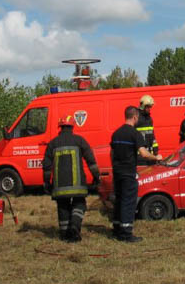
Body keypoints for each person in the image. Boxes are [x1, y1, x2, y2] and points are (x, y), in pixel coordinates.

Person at [42, 115, 99, 243]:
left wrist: (46, 182)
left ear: (60, 127)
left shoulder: (53, 143)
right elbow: (91, 161)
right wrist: (96, 177)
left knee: (63, 206)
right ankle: (74, 225)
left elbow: (46, 166)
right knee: (79, 203)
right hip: (78, 185)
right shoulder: (80, 141)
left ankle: (64, 233)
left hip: (59, 186)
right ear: (72, 126)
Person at [110, 105, 162, 242]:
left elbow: (112, 153)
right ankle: (126, 233)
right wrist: (156, 157)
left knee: (119, 200)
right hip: (128, 173)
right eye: (137, 117)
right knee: (128, 202)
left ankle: (116, 229)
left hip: (117, 172)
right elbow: (144, 154)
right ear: (134, 117)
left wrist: (115, 167)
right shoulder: (134, 134)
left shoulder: (116, 133)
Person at [135, 94, 160, 164]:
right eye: (148, 107)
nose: (149, 109)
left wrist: (155, 148)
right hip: (140, 155)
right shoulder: (136, 117)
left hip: (150, 154)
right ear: (143, 106)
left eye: (150, 107)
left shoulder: (149, 118)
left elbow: (152, 134)